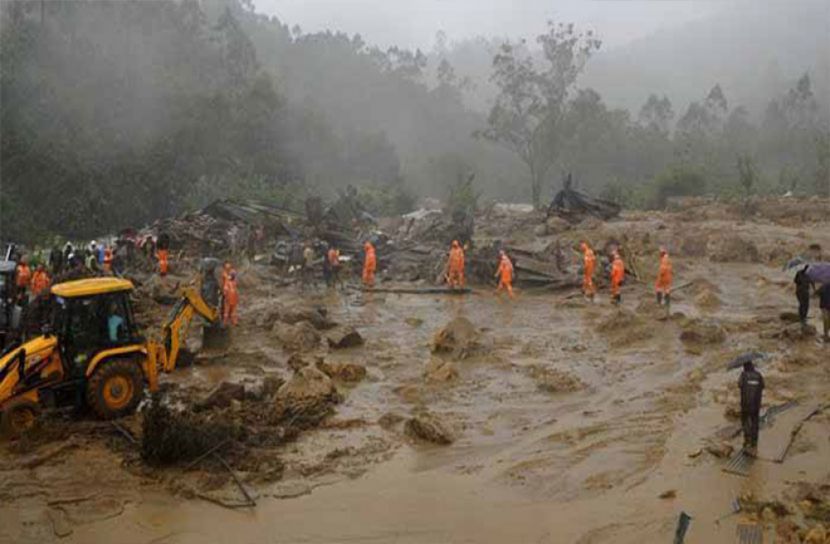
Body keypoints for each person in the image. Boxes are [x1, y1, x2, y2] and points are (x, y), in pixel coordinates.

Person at [738, 361, 764, 456]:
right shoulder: (759, 375)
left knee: (745, 422)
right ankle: (754, 444)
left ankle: (747, 442)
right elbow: (763, 386)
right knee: (755, 423)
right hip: (756, 405)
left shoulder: (743, 375)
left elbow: (739, 385)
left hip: (745, 405)